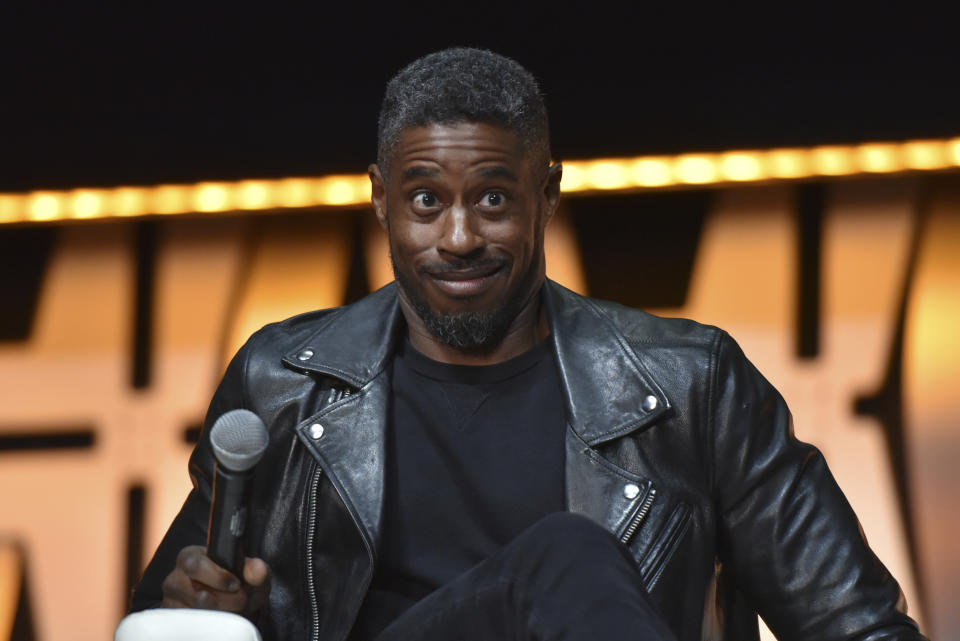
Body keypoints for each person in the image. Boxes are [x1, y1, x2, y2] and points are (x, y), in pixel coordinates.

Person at [131, 48, 926, 641]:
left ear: (546, 194)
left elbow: (856, 625)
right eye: (423, 200)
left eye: (493, 198)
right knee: (564, 556)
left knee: (564, 562)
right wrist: (208, 610)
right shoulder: (282, 382)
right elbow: (156, 613)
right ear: (379, 199)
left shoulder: (693, 387)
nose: (459, 236)